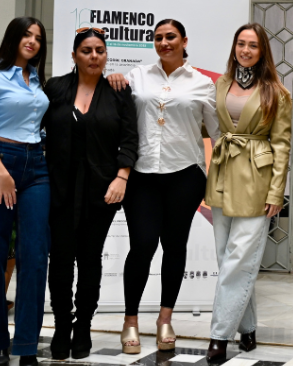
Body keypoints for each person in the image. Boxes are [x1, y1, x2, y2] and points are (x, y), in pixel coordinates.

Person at [106, 19, 220, 353]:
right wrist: (112, 77)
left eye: (170, 37)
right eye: (157, 38)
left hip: (185, 175)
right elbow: (116, 110)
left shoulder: (201, 83)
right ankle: (130, 321)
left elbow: (216, 131)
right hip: (141, 175)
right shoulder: (138, 76)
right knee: (142, 246)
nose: (164, 42)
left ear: (184, 40)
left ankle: (164, 318)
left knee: (175, 246)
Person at [42, 27, 138, 360]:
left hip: (101, 192)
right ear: (74, 55)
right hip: (58, 190)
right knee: (61, 262)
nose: (94, 56)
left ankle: (83, 327)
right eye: (86, 50)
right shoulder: (54, 89)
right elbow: (36, 129)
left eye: (99, 50)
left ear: (106, 55)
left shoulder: (118, 92)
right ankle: (61, 327)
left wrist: (121, 177)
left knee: (89, 260)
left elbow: (130, 138)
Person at [204, 24, 292, 362]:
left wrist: (276, 192)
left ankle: (219, 335)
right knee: (228, 259)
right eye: (240, 44)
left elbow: (282, 145)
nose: (245, 50)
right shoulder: (222, 84)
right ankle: (248, 327)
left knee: (239, 261)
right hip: (223, 175)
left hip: (257, 180)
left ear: (262, 51)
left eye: (252, 45)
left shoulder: (277, 93)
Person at [0, 17, 51, 366]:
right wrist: (1, 172)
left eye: (38, 37)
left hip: (37, 167)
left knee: (34, 256)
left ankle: (27, 345)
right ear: (13, 38)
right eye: (26, 35)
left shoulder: (38, 82)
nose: (32, 41)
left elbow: (36, 125)